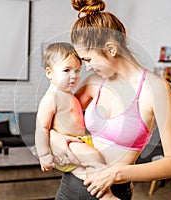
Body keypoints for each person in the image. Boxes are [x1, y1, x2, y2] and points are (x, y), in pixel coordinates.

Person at [49, 0, 171, 199]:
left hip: (112, 192)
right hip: (69, 186)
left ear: (111, 49)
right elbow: (55, 119)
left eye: (87, 59)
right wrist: (57, 139)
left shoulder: (156, 90)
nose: (87, 68)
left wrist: (116, 173)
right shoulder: (95, 82)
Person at [35, 42, 118, 200]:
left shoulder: (67, 93)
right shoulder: (51, 98)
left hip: (79, 141)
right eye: (66, 70)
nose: (74, 76)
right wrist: (44, 155)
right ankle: (107, 195)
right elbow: (41, 128)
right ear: (49, 73)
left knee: (91, 164)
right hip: (69, 145)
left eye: (77, 70)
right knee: (94, 158)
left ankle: (108, 184)